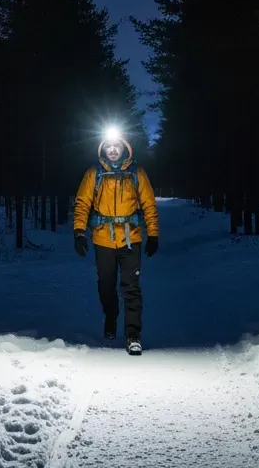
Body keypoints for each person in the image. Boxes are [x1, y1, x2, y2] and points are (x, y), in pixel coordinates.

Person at [72, 131, 159, 355]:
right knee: (106, 286)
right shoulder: (94, 173)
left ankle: (133, 335)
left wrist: (153, 234)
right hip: (103, 239)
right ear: (103, 149)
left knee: (131, 288)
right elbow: (82, 203)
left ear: (124, 148)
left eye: (116, 146)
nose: (112, 150)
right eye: (108, 146)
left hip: (132, 239)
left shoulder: (137, 173)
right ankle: (111, 315)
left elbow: (149, 204)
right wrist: (79, 232)